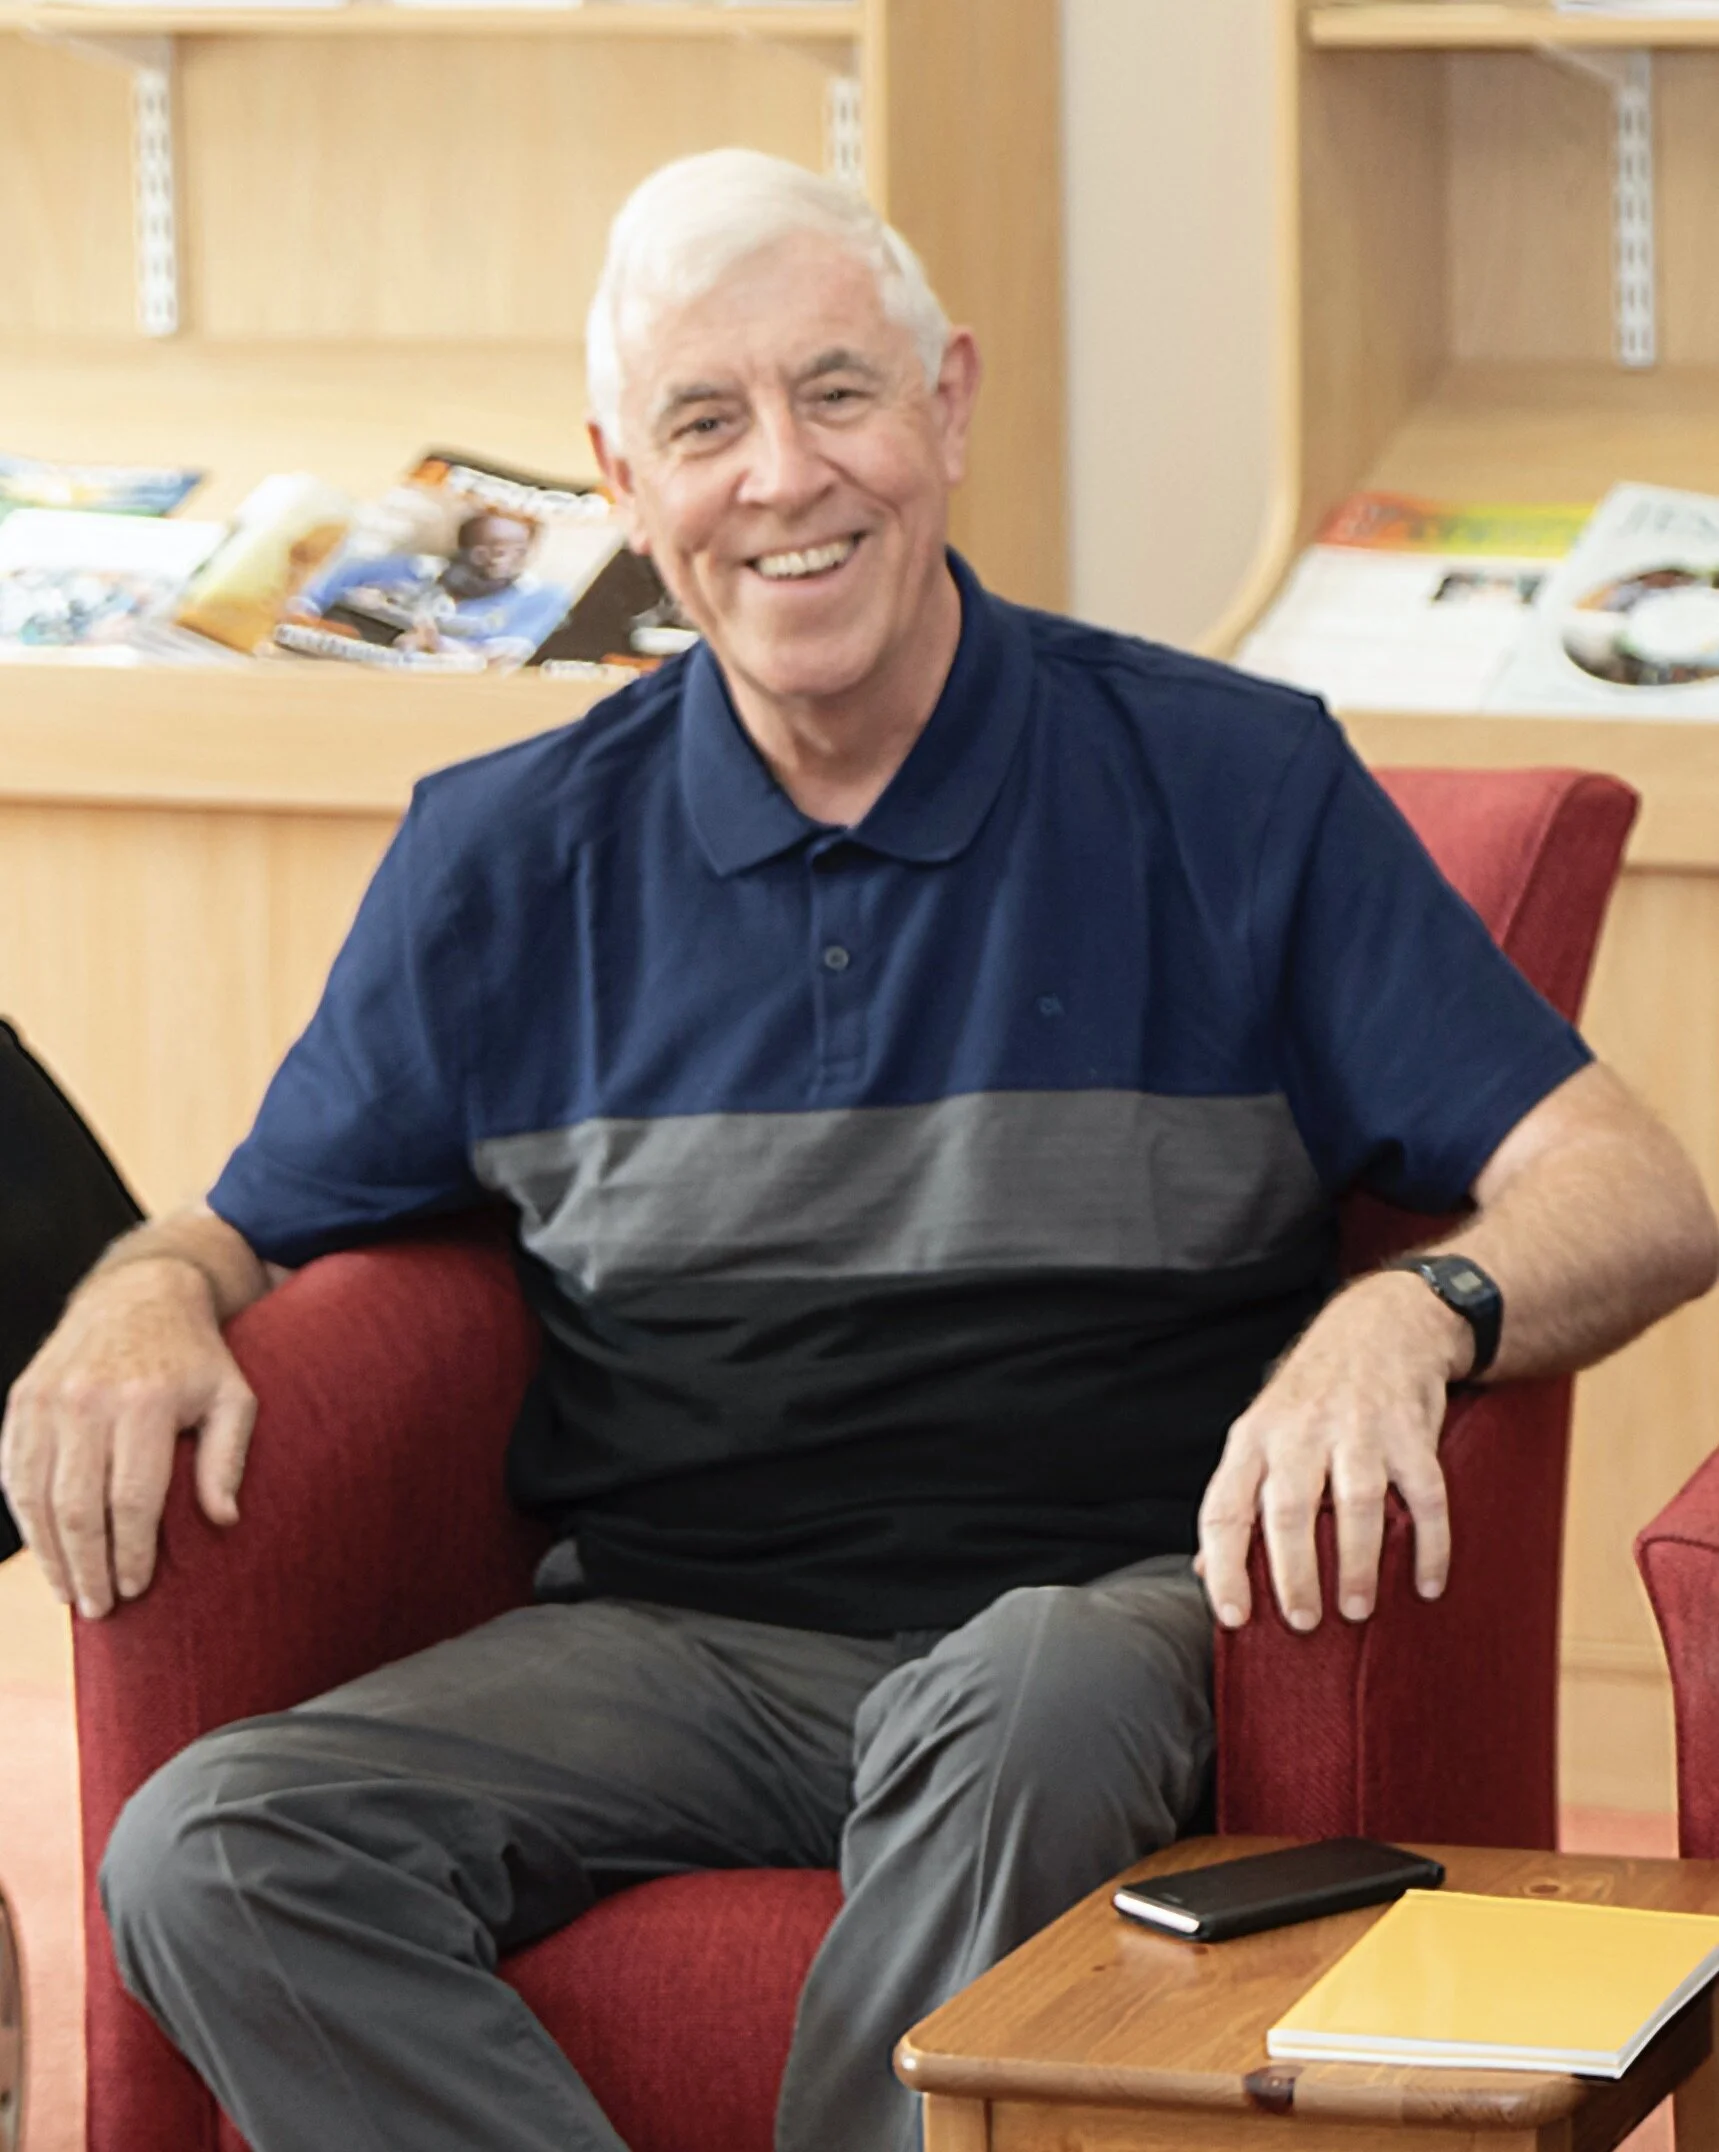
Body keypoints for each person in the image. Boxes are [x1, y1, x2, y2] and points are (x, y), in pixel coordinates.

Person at [3, 149, 1716, 2152]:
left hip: (1089, 1623)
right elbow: (240, 1224)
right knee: (210, 1842)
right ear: (621, 479)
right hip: (668, 1639)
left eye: (836, 392)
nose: (781, 476)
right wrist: (140, 1292)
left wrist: (1404, 1314)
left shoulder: (1228, 781)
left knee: (1035, 1687)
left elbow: (1637, 1190)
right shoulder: (502, 856)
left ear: (947, 405)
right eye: (701, 424)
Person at [288, 508, 571, 664]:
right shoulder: (395, 570)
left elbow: (504, 661)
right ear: (462, 545)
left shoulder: (542, 599)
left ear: (530, 552)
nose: (495, 559)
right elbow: (302, 607)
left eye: (513, 550)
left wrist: (437, 645)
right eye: (485, 547)